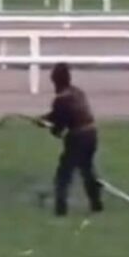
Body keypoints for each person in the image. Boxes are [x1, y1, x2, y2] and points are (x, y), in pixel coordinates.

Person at [38, 63, 103, 217]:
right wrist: (44, 119)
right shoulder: (77, 92)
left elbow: (59, 128)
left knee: (64, 174)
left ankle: (61, 210)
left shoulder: (60, 99)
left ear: (55, 81)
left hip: (78, 138)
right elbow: (59, 115)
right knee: (87, 170)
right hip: (91, 134)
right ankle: (96, 205)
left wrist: (46, 126)